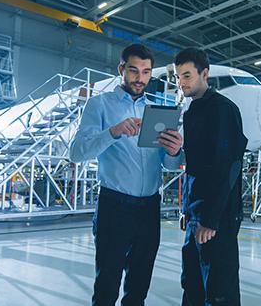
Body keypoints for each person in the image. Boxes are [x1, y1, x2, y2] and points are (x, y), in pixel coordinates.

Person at [70, 44, 184, 306]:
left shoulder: (158, 110)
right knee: (107, 284)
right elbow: (76, 153)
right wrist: (114, 131)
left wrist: (175, 151)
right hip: (115, 206)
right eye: (134, 71)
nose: (140, 78)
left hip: (149, 208)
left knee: (139, 285)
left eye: (146, 72)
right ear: (122, 69)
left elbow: (168, 164)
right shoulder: (99, 105)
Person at [175, 48, 248, 305]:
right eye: (178, 77)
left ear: (204, 74)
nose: (181, 82)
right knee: (192, 285)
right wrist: (188, 210)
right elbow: (194, 168)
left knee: (218, 292)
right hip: (196, 215)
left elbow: (228, 168)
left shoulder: (223, 110)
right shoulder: (192, 111)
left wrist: (210, 219)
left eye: (187, 75)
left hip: (218, 219)